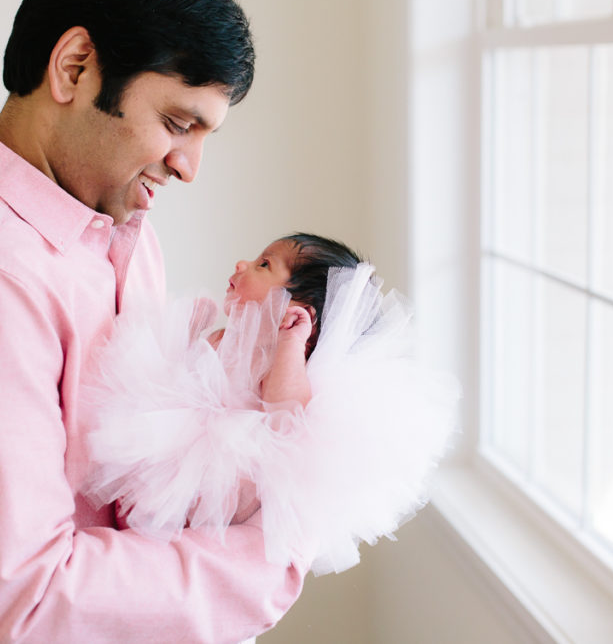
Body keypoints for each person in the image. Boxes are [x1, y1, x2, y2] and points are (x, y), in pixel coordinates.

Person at [0, 0, 306, 642]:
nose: (189, 167)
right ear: (75, 67)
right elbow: (32, 595)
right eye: (178, 123)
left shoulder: (121, 232)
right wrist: (266, 561)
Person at [82, 234, 460, 576]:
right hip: (179, 440)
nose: (242, 264)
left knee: (183, 527)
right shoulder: (224, 336)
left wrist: (291, 345)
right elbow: (184, 379)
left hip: (226, 467)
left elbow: (287, 416)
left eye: (263, 265)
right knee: (143, 499)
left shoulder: (282, 361)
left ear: (298, 312)